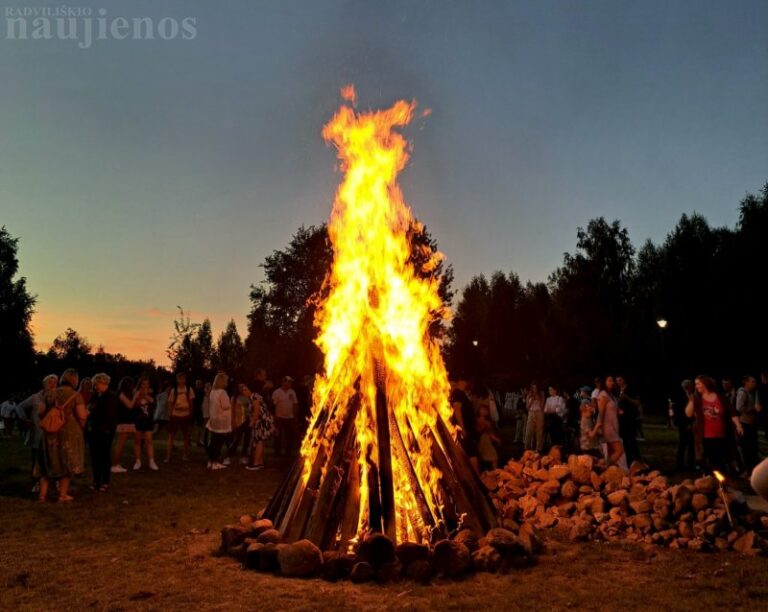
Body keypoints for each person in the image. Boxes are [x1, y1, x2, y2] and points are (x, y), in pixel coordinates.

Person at [37, 369, 87, 502]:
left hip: (50, 432)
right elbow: (82, 415)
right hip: (68, 432)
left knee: (49, 462)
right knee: (65, 464)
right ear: (75, 380)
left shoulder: (50, 393)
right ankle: (62, 495)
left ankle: (42, 495)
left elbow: (40, 410)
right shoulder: (76, 395)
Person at [685, 375, 742, 474]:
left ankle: (722, 481)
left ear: (705, 384)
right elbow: (688, 414)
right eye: (695, 384)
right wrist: (692, 400)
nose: (696, 386)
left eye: (698, 384)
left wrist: (738, 425)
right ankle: (709, 480)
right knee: (708, 461)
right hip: (705, 436)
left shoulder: (720, 396)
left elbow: (731, 412)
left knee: (720, 460)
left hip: (721, 435)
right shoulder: (697, 398)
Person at [17, 374, 58, 493]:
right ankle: (36, 482)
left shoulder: (58, 397)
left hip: (53, 433)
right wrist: (25, 419)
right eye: (50, 382)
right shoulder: (36, 397)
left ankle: (54, 482)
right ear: (44, 384)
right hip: (38, 432)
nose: (52, 385)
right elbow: (20, 407)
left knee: (53, 459)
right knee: (36, 459)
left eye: (55, 382)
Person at [86, 373, 118, 491]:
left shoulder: (111, 396)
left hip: (105, 431)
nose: (95, 386)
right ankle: (96, 480)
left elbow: (110, 415)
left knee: (104, 456)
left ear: (103, 383)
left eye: (96, 384)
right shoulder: (95, 396)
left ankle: (105, 481)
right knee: (94, 456)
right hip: (94, 429)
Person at [590, 375, 626, 467]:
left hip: (614, 426)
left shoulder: (611, 395)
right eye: (609, 380)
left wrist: (618, 411)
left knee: (611, 452)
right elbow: (601, 413)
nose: (612, 382)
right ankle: (604, 467)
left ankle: (609, 473)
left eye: (612, 380)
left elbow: (613, 408)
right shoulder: (603, 395)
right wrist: (596, 428)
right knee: (619, 450)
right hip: (608, 427)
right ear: (604, 382)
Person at [165, 372, 195, 463]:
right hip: (175, 415)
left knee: (186, 436)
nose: (181, 380)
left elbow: (191, 402)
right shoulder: (174, 390)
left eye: (183, 378)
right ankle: (168, 457)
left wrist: (190, 413)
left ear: (185, 379)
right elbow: (170, 402)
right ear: (177, 380)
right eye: (180, 378)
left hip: (185, 415)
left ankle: (185, 455)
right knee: (171, 436)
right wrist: (170, 414)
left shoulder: (189, 389)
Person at [736, 375, 762, 475]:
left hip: (752, 423)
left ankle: (753, 471)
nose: (754, 383)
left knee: (753, 448)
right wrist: (753, 409)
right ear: (746, 382)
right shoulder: (743, 392)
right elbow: (739, 407)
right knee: (747, 449)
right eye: (752, 381)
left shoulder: (753, 392)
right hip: (745, 424)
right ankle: (748, 471)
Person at [450, 379, 478, 470]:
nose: (467, 383)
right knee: (471, 452)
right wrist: (462, 427)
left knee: (470, 451)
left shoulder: (460, 393)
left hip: (466, 428)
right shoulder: (458, 393)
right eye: (465, 381)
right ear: (460, 382)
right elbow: (457, 410)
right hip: (463, 429)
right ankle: (476, 476)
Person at [112, 377, 139, 473]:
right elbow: (130, 406)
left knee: (121, 443)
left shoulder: (124, 394)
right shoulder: (121, 394)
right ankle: (114, 465)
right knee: (120, 443)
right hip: (123, 421)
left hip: (127, 420)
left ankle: (117, 463)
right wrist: (135, 396)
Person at [206, 372, 231, 470]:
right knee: (218, 442)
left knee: (213, 440)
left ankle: (211, 461)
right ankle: (215, 462)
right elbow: (225, 406)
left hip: (214, 418)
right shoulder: (222, 392)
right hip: (221, 420)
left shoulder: (213, 392)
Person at [246, 390, 276, 471]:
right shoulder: (254, 396)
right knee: (260, 441)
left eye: (245, 389)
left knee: (259, 441)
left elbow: (256, 412)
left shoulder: (254, 396)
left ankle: (256, 463)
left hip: (261, 422)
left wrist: (251, 423)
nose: (243, 391)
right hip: (262, 421)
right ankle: (260, 462)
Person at [133, 377, 158, 471]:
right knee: (138, 441)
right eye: (143, 383)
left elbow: (153, 402)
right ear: (140, 384)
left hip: (148, 420)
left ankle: (151, 461)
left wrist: (145, 395)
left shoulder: (152, 393)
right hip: (138, 420)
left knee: (149, 440)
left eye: (147, 383)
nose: (145, 385)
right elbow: (134, 405)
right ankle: (138, 461)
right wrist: (139, 395)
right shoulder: (136, 394)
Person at [616, 375, 642, 464]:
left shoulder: (630, 390)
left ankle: (637, 460)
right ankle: (629, 460)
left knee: (631, 440)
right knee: (625, 441)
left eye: (620, 380)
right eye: (617, 380)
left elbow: (637, 403)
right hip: (622, 420)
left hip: (630, 419)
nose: (618, 382)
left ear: (624, 380)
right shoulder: (618, 391)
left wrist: (626, 397)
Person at [272, 376, 299, 457]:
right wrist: (274, 416)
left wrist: (295, 416)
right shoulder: (277, 392)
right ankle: (277, 452)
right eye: (288, 382)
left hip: (289, 418)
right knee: (278, 436)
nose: (290, 384)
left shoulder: (292, 392)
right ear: (283, 382)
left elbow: (295, 404)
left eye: (290, 382)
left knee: (289, 436)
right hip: (279, 417)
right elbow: (273, 405)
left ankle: (288, 453)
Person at [227, 382, 252, 465]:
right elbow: (232, 410)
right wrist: (232, 421)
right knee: (237, 439)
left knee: (247, 439)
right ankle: (229, 456)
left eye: (244, 387)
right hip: (238, 421)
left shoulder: (248, 397)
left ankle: (243, 456)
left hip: (248, 420)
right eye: (240, 387)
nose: (242, 389)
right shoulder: (234, 398)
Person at [675, 380, 697, 471]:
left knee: (691, 445)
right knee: (683, 444)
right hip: (683, 423)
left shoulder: (693, 396)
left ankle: (690, 464)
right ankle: (680, 464)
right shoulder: (681, 398)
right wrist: (687, 423)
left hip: (690, 423)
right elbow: (681, 412)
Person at [543, 384, 566, 449]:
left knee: (557, 435)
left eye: (551, 390)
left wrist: (552, 409)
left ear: (555, 390)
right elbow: (545, 410)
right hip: (551, 419)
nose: (550, 391)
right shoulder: (548, 399)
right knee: (552, 434)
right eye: (549, 390)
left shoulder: (560, 398)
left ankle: (558, 447)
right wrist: (553, 409)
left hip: (557, 420)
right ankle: (554, 447)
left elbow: (558, 410)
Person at [524, 383, 545, 453]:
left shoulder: (541, 394)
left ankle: (538, 449)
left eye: (535, 387)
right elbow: (527, 407)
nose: (534, 389)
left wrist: (538, 399)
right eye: (533, 387)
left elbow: (542, 406)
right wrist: (532, 399)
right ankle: (527, 448)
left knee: (539, 431)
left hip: (539, 413)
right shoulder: (529, 395)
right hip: (531, 413)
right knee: (528, 431)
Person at [578, 386, 599, 455]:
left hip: (590, 446)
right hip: (588, 447)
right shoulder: (586, 420)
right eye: (590, 406)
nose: (592, 408)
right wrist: (598, 426)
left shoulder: (588, 419)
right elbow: (591, 435)